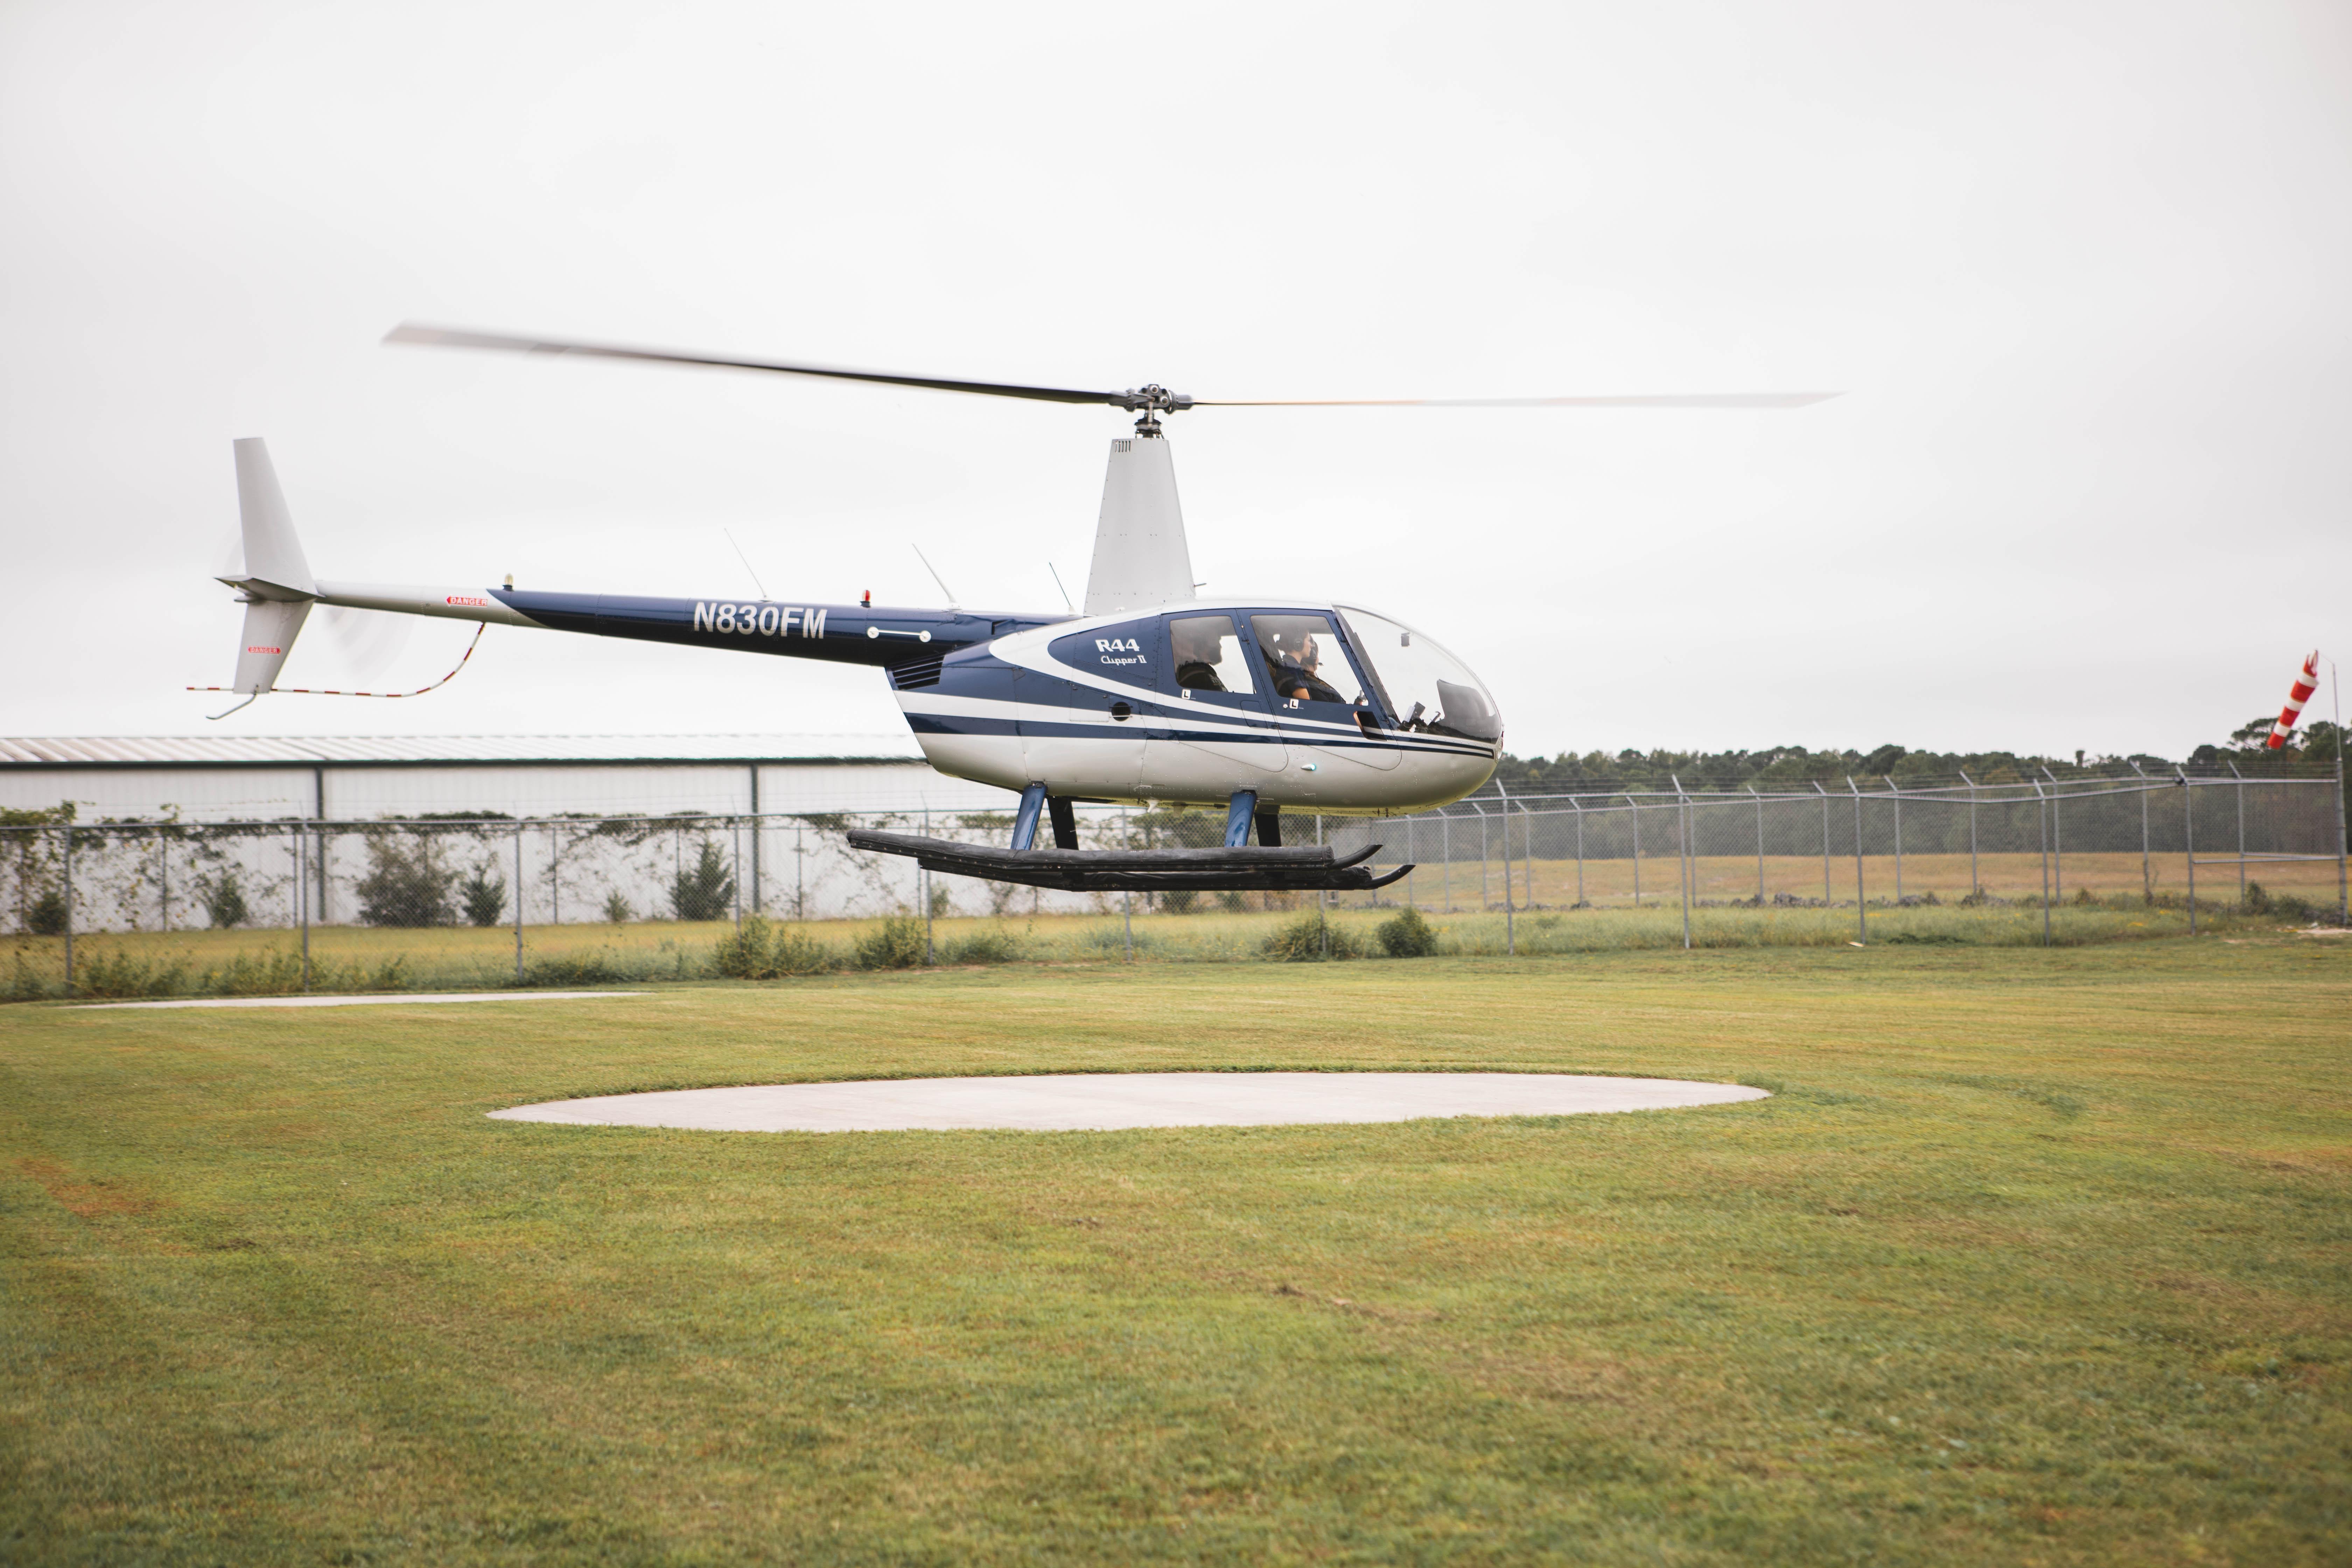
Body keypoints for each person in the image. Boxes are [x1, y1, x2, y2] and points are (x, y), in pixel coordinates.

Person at [1173, 620, 1228, 692]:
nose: (1220, 646)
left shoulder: (1206, 673)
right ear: (1201, 647)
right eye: (1214, 643)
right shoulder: (1195, 676)